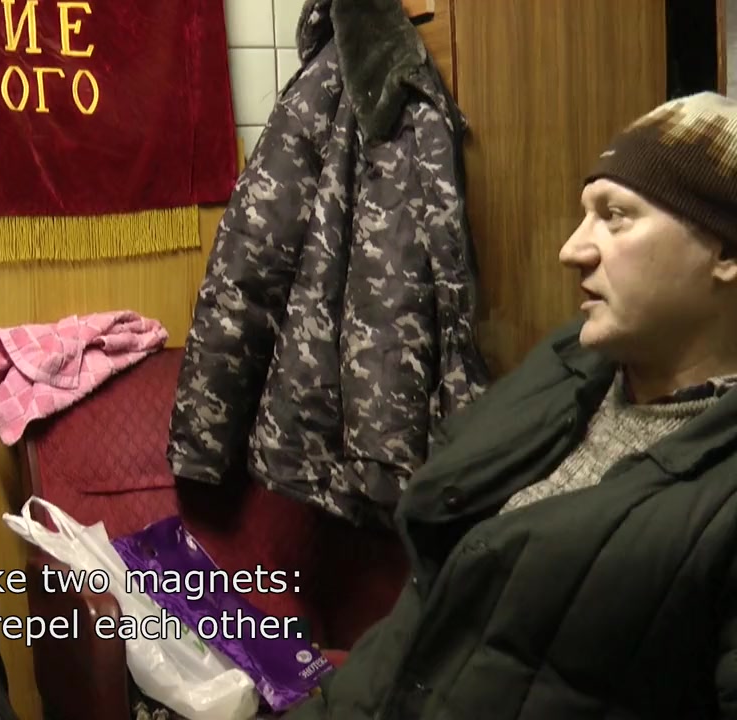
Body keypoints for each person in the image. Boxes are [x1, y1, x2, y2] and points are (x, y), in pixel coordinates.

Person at [286, 91, 737, 719]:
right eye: (585, 214)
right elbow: (425, 604)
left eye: (615, 216)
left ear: (726, 253)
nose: (573, 249)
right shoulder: (569, 368)